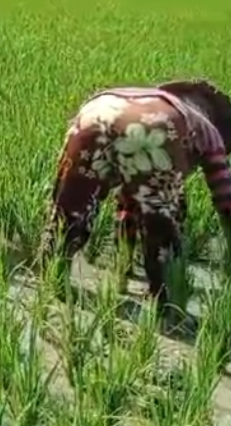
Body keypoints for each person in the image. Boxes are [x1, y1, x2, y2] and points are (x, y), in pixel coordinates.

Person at [40, 79, 231, 309]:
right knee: (160, 216)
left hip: (95, 111)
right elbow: (225, 199)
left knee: (71, 207)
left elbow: (127, 201)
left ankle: (51, 280)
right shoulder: (208, 131)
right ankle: (161, 298)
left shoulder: (155, 97)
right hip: (158, 126)